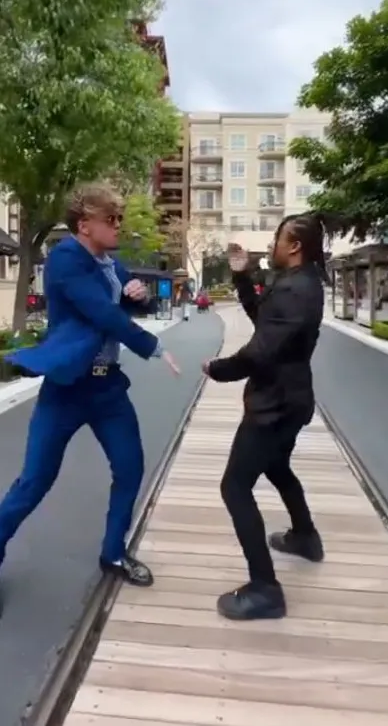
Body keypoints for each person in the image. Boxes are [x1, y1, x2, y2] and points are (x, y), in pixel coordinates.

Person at [0, 182, 180, 587]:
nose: (119, 226)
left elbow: (130, 304)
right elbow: (101, 313)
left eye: (120, 218)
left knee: (130, 469)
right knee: (34, 482)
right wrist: (151, 345)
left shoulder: (112, 266)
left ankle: (113, 554)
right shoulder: (65, 259)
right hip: (67, 389)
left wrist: (137, 297)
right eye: (111, 219)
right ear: (85, 225)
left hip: (107, 389)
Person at [202, 213, 328, 621]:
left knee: (235, 487)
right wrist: (243, 276)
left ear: (294, 246)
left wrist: (217, 369)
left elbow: (259, 351)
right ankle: (305, 537)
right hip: (288, 400)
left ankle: (265, 588)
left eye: (278, 238)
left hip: (275, 404)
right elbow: (265, 321)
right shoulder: (299, 283)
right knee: (276, 466)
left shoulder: (297, 289)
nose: (272, 244)